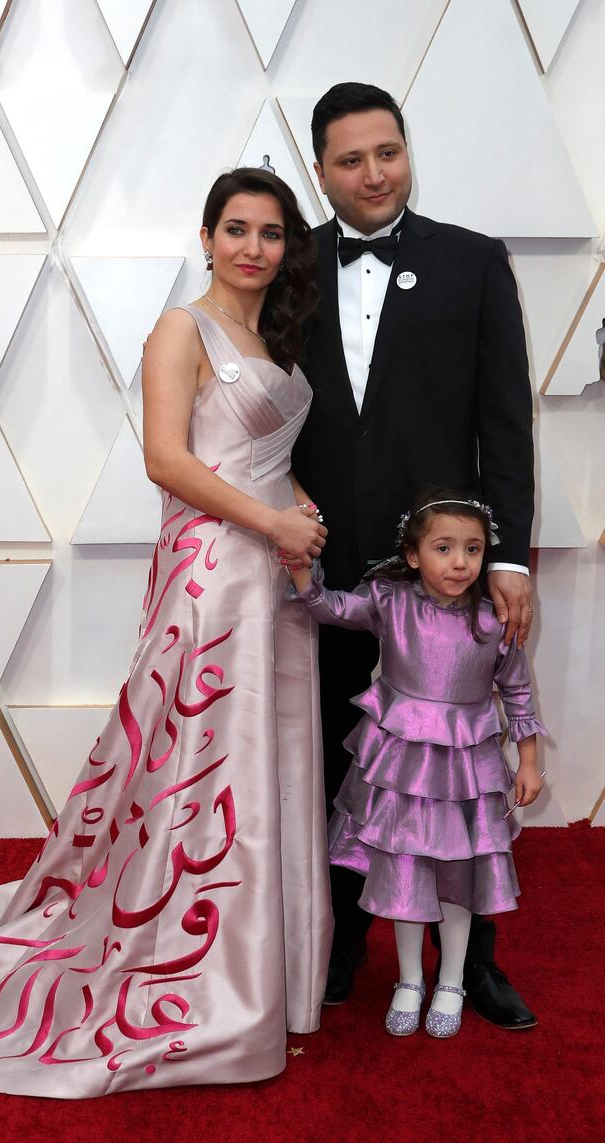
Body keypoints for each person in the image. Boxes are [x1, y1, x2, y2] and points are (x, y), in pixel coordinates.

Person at [0, 168, 332, 1098]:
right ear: (206, 235)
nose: (253, 247)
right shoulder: (183, 329)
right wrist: (270, 522)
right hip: (213, 575)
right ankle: (199, 976)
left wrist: (297, 511)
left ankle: (264, 978)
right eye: (236, 229)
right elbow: (166, 460)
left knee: (261, 767)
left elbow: (261, 456)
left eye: (270, 233)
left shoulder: (269, 335)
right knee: (204, 768)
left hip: (274, 576)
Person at [291, 82, 538, 1028]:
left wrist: (506, 559)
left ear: (407, 150)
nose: (373, 173)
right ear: (321, 171)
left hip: (450, 577)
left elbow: (504, 427)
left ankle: (471, 961)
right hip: (326, 569)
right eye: (350, 160)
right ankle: (341, 939)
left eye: (386, 152)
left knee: (462, 774)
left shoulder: (475, 264)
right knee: (336, 761)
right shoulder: (290, 263)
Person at [288, 492, 546, 1037]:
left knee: (457, 875)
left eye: (473, 550)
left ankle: (451, 978)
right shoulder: (390, 601)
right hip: (401, 766)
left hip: (465, 772)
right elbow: (331, 608)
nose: (460, 563)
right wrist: (303, 575)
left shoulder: (492, 620)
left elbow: (517, 692)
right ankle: (409, 978)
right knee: (405, 869)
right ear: (412, 555)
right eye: (444, 548)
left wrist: (528, 762)